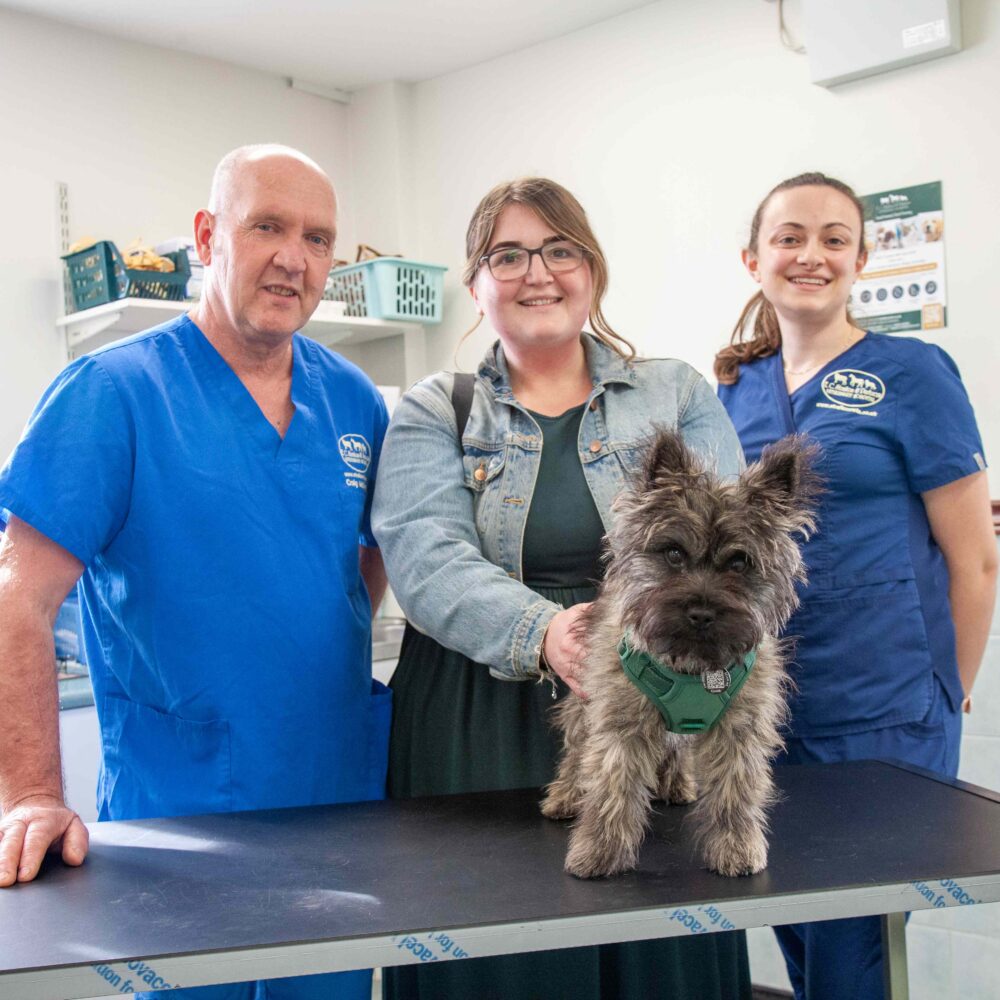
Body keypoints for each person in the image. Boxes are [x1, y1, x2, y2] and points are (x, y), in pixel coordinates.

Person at [0, 145, 392, 1000]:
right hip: (177, 816)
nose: (295, 257)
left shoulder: (354, 400)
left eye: (319, 239)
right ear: (208, 236)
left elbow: (366, 563)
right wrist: (30, 795)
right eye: (268, 227)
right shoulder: (114, 394)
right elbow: (17, 603)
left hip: (332, 812)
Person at [371, 177, 753, 999]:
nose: (535, 272)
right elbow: (425, 559)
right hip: (475, 718)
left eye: (558, 250)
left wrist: (626, 647)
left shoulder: (673, 393)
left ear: (592, 271)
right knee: (497, 961)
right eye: (506, 255)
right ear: (475, 285)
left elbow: (733, 544)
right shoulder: (434, 411)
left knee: (661, 947)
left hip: (659, 692)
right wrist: (548, 634)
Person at [715, 171, 997, 1000]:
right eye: (790, 236)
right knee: (796, 935)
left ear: (862, 258)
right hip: (766, 712)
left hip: (886, 711)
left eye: (835, 238)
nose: (813, 254)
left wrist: (950, 688)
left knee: (855, 956)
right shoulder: (731, 392)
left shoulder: (913, 374)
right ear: (753, 259)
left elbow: (976, 559)